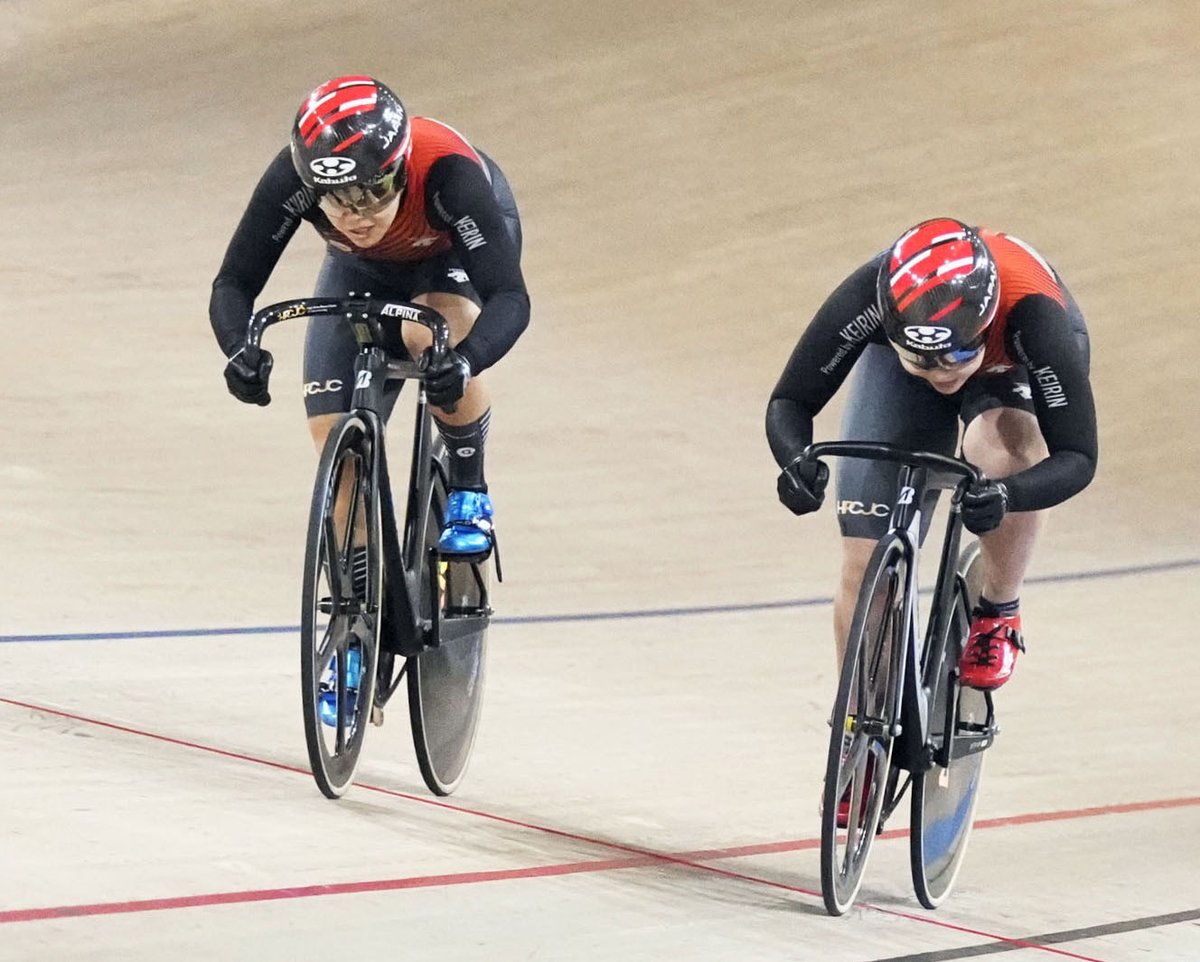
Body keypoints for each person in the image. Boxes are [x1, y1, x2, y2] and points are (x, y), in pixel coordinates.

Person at [210, 75, 529, 724]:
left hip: (448, 256)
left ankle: (469, 488)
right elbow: (234, 283)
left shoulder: (447, 175)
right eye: (335, 198)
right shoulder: (293, 176)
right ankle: (355, 628)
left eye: (371, 191)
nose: (354, 212)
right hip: (360, 271)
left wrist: (464, 361)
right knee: (335, 445)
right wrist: (238, 350)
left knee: (430, 334)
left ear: (399, 166)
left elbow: (511, 299)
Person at [766, 217, 1097, 694]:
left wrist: (1007, 494)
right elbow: (791, 401)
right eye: (923, 358)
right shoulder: (871, 294)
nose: (942, 374)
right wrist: (795, 460)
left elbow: (1078, 456)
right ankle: (856, 728)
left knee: (998, 451)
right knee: (864, 565)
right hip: (918, 365)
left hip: (1009, 361)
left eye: (956, 357)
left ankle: (999, 609)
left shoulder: (1036, 318)